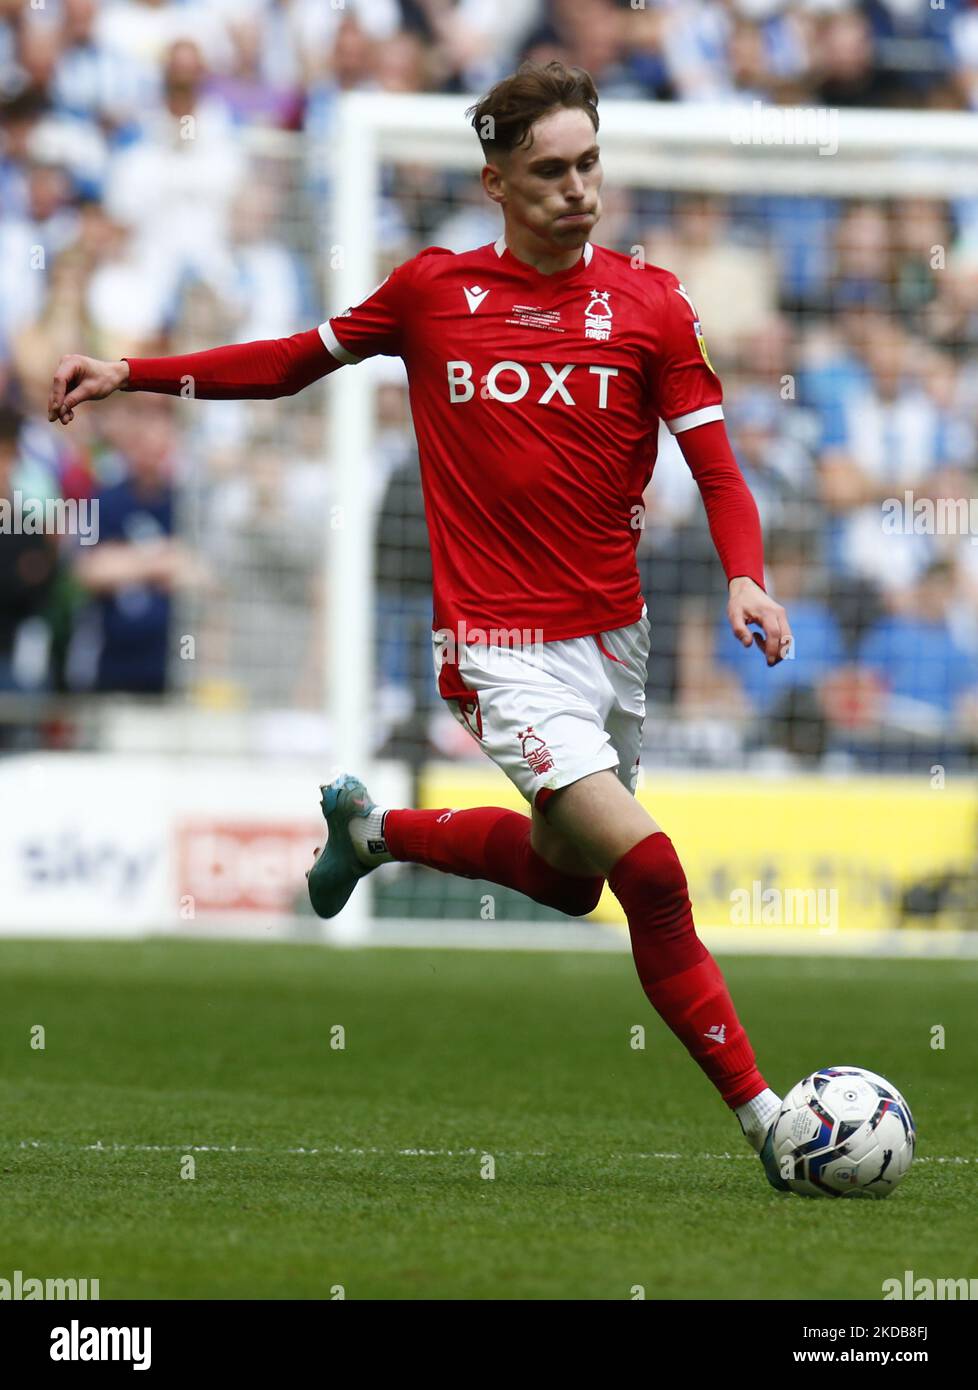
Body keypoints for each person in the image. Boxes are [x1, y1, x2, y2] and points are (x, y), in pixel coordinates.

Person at [47, 61, 794, 1191]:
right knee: (651, 872)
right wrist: (133, 371)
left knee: (568, 880)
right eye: (550, 171)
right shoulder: (434, 294)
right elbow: (292, 361)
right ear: (496, 181)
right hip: (495, 646)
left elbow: (720, 469)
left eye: (591, 163)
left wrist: (746, 576)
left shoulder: (652, 306)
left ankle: (378, 836)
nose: (579, 190)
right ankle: (775, 1127)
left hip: (612, 643)